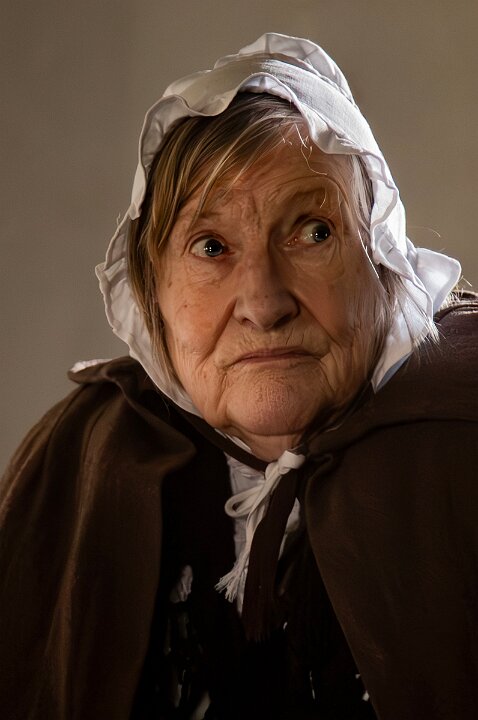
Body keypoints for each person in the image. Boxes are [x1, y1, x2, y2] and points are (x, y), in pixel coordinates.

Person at [1, 32, 477, 720]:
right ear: (153, 296)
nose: (263, 302)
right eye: (211, 246)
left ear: (383, 262)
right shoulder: (83, 457)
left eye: (313, 231)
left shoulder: (464, 431)